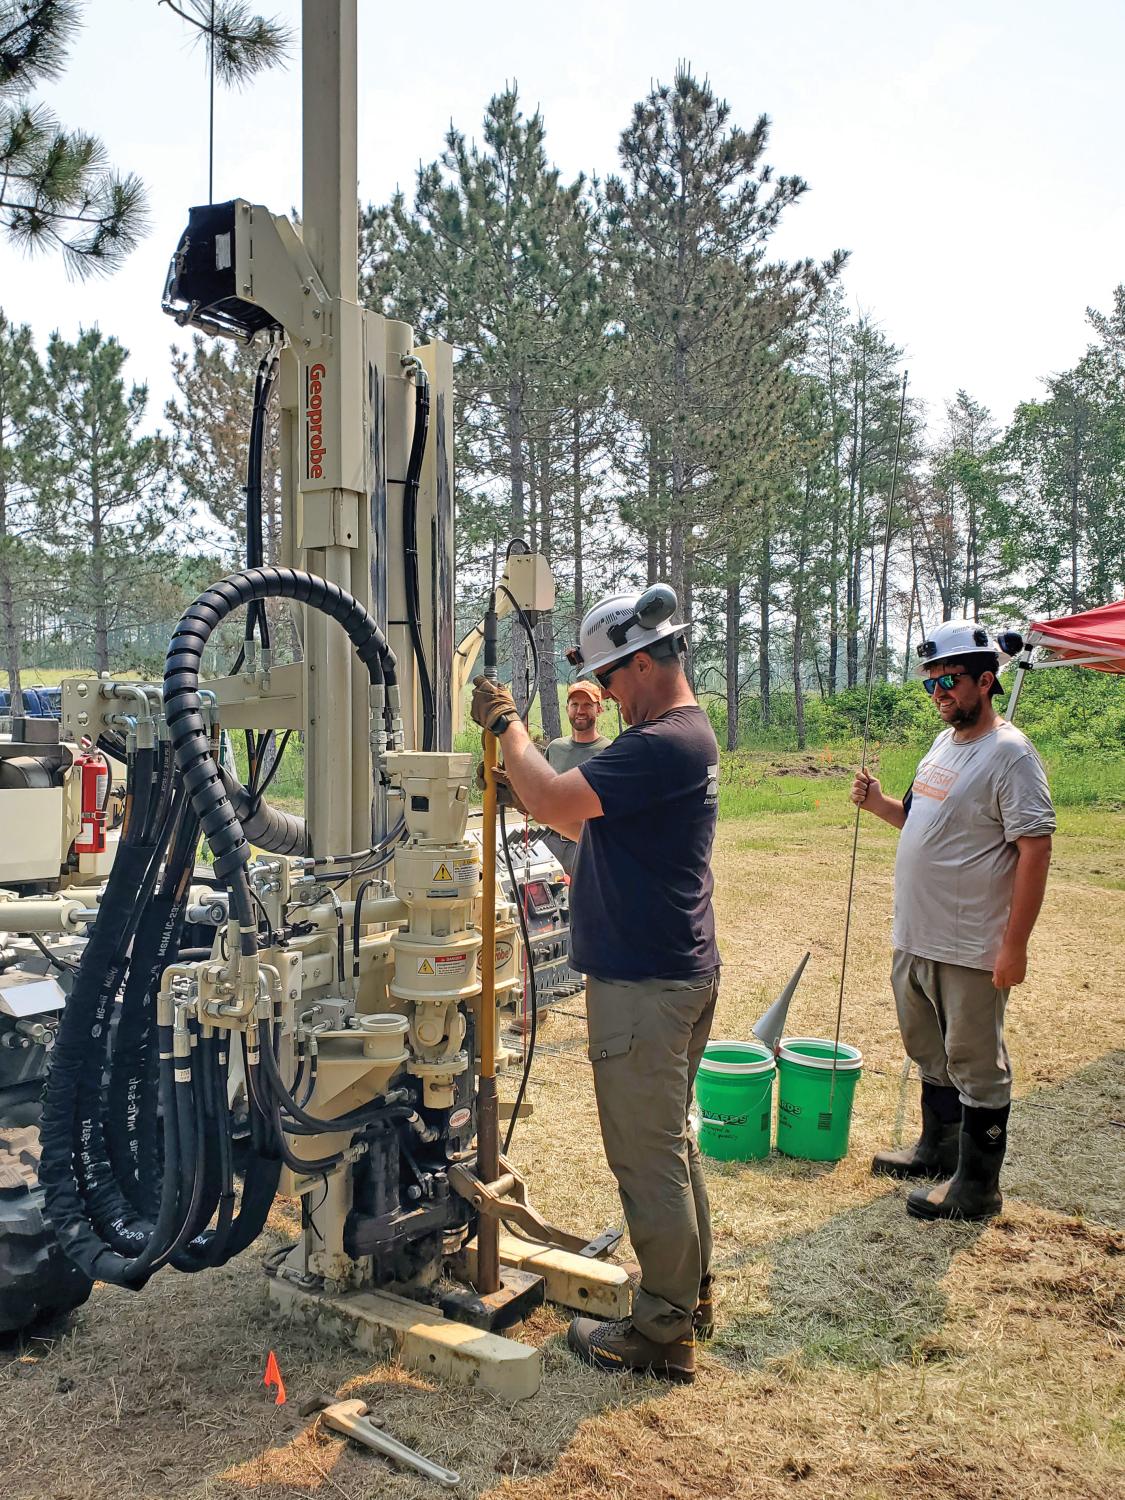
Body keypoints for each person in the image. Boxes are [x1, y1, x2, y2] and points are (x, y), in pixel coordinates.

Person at [471, 585, 719, 1384]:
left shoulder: (658, 743)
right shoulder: (683, 736)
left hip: (645, 985)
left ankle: (661, 1333)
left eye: (610, 679)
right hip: (677, 970)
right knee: (670, 1150)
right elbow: (578, 816)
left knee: (646, 1162)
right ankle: (689, 1296)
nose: (605, 697)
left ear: (642, 663)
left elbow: (549, 796)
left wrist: (508, 726)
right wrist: (531, 785)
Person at [851, 620, 1054, 1222]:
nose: (939, 692)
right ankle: (936, 1149)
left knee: (975, 1061)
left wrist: (1013, 946)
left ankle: (978, 1186)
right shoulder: (943, 745)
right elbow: (915, 820)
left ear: (986, 681)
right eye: (931, 683)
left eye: (950, 681)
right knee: (927, 1049)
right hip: (915, 935)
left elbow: (1035, 849)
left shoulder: (1011, 755)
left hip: (969, 944)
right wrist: (879, 802)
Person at [540, 680, 610, 874]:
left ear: (599, 710)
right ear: (567, 708)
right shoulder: (555, 748)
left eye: (588, 705)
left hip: (588, 845)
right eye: (575, 705)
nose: (580, 710)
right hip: (551, 843)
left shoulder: (609, 752)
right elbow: (544, 794)